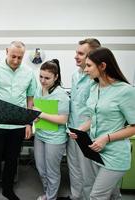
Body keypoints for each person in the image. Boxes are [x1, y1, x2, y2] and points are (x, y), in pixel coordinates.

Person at [0, 41, 37, 200]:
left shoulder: (28, 72)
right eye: (13, 56)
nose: (16, 60)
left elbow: (30, 98)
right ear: (6, 52)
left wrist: (28, 122)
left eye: (20, 57)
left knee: (12, 160)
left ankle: (7, 189)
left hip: (17, 125)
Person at [79, 47, 135, 200]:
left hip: (115, 155)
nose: (85, 70)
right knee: (113, 195)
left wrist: (106, 138)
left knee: (97, 196)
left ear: (103, 66)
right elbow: (96, 117)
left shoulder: (125, 91)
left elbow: (134, 127)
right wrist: (80, 130)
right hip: (96, 151)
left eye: (89, 66)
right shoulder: (94, 87)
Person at [64, 38, 101, 200]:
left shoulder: (97, 79)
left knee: (88, 172)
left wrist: (81, 129)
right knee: (74, 168)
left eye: (80, 53)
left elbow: (99, 111)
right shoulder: (75, 75)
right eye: (76, 53)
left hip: (88, 133)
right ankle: (75, 196)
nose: (76, 56)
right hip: (72, 130)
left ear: (92, 56)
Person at [33, 59, 70, 200]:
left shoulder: (61, 95)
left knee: (52, 172)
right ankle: (48, 194)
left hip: (55, 138)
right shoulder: (38, 90)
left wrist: (40, 114)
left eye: (47, 78)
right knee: (41, 169)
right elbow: (35, 113)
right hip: (40, 134)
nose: (43, 80)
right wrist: (34, 117)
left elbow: (63, 119)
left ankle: (51, 197)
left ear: (56, 77)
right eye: (41, 77)